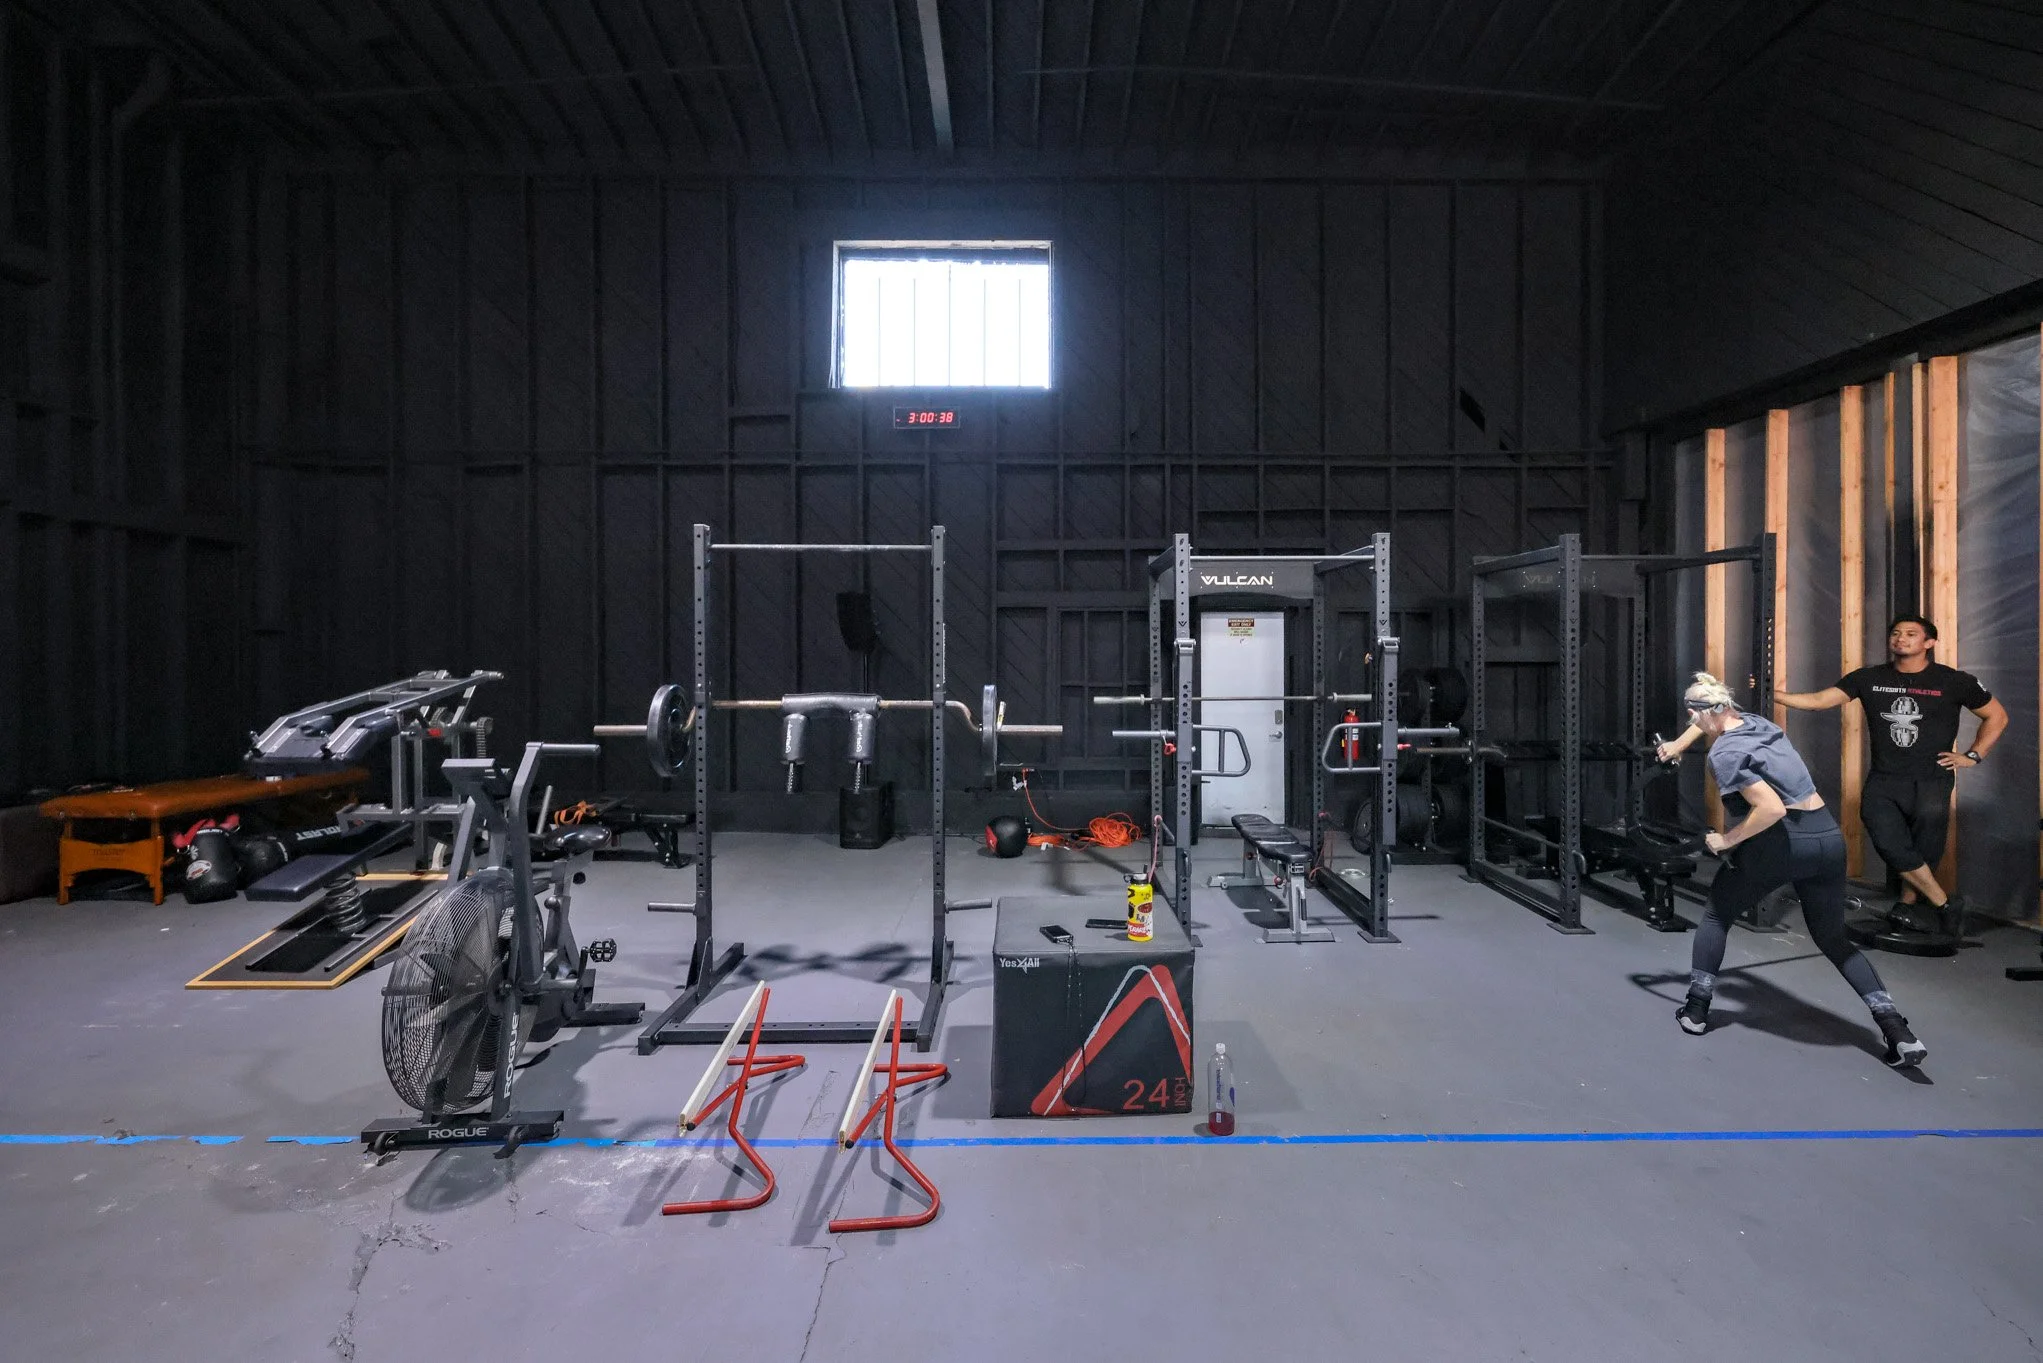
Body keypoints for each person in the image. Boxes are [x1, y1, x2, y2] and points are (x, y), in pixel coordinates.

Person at [1656, 673, 1927, 1068]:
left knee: (1717, 914)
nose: (1691, 722)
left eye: (1691, 716)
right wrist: (1677, 746)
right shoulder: (1758, 725)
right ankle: (1897, 1030)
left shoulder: (1724, 755)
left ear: (1705, 712)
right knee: (1833, 939)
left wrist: (1726, 840)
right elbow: (1708, 721)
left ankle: (1696, 1011)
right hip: (1827, 840)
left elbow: (1771, 809)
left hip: (1782, 844)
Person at [1777, 614, 2008, 935]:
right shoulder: (1869, 678)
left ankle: (1908, 906)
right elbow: (1820, 701)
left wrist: (1973, 755)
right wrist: (1772, 693)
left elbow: (1996, 716)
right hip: (1885, 779)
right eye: (1896, 633)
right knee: (1888, 839)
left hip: (1931, 779)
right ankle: (1945, 903)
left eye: (1911, 634)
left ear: (1929, 643)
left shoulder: (1954, 681)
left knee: (1924, 846)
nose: (1901, 638)